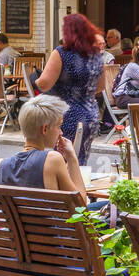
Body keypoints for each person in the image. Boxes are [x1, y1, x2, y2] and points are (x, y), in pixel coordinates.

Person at [0, 95, 87, 276]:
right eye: (59, 126)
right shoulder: (53, 159)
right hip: (53, 253)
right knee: (108, 218)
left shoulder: (4, 165)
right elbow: (81, 204)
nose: (61, 132)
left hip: (21, 250)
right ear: (45, 129)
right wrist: (72, 159)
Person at [33, 13, 105, 164]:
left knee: (62, 161)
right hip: (91, 114)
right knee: (80, 159)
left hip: (67, 114)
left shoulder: (61, 53)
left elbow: (44, 84)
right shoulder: (97, 55)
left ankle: (65, 188)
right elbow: (101, 87)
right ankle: (79, 186)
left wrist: (36, 79)